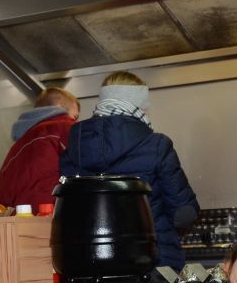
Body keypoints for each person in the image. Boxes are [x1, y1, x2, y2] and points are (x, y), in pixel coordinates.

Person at [60, 71, 199, 271]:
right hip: (153, 266)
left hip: (89, 268)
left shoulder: (73, 151)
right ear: (138, 105)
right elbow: (183, 215)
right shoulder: (157, 145)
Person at [0, 86, 80, 210]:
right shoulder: (64, 126)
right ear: (59, 107)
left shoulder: (16, 148)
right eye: (75, 116)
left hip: (20, 218)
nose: (75, 120)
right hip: (53, 213)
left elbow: (1, 197)